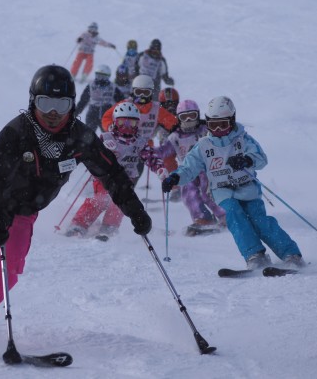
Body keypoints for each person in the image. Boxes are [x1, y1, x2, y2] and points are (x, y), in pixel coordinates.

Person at [0, 65, 152, 349]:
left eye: (61, 104)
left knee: (12, 266)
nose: (53, 113)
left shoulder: (80, 136)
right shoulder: (17, 133)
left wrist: (134, 209)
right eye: (45, 104)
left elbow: (111, 173)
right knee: (7, 259)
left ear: (72, 105)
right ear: (33, 102)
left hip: (25, 209)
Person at [161, 96, 305, 269]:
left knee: (260, 221)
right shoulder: (203, 145)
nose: (219, 129)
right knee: (235, 217)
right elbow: (189, 167)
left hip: (247, 189)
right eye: (213, 125)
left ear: (232, 120)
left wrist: (247, 160)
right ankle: (255, 255)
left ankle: (291, 254)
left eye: (223, 124)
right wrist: (175, 177)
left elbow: (261, 158)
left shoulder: (242, 139)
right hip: (222, 190)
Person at [65, 102, 166, 239]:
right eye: (122, 122)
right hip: (104, 177)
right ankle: (79, 224)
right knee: (101, 199)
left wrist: (159, 168)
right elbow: (92, 153)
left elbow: (151, 157)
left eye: (132, 123)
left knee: (119, 203)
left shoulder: (140, 142)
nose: (127, 127)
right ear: (114, 122)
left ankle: (109, 228)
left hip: (126, 179)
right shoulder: (107, 138)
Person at [157, 100, 226, 235]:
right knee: (188, 192)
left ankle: (225, 215)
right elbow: (164, 151)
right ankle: (202, 218)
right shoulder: (175, 137)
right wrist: (146, 151)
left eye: (192, 116)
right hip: (188, 171)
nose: (188, 120)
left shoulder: (205, 130)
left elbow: (221, 139)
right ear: (179, 118)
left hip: (208, 168)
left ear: (198, 115)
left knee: (208, 193)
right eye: (184, 117)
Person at [101, 74, 177, 186]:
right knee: (114, 173)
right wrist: (110, 126)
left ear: (151, 93)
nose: (142, 96)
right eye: (138, 92)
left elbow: (173, 123)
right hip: (121, 144)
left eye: (146, 93)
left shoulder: (156, 109)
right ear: (133, 91)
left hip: (142, 147)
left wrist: (179, 125)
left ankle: (127, 195)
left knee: (132, 177)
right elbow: (106, 117)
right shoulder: (125, 104)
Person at [74, 64, 123, 132]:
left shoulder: (113, 87)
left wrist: (123, 114)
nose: (101, 79)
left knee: (108, 135)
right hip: (92, 113)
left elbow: (121, 101)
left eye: (103, 77)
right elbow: (83, 101)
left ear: (108, 76)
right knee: (89, 135)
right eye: (99, 76)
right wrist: (75, 113)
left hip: (106, 113)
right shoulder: (91, 86)